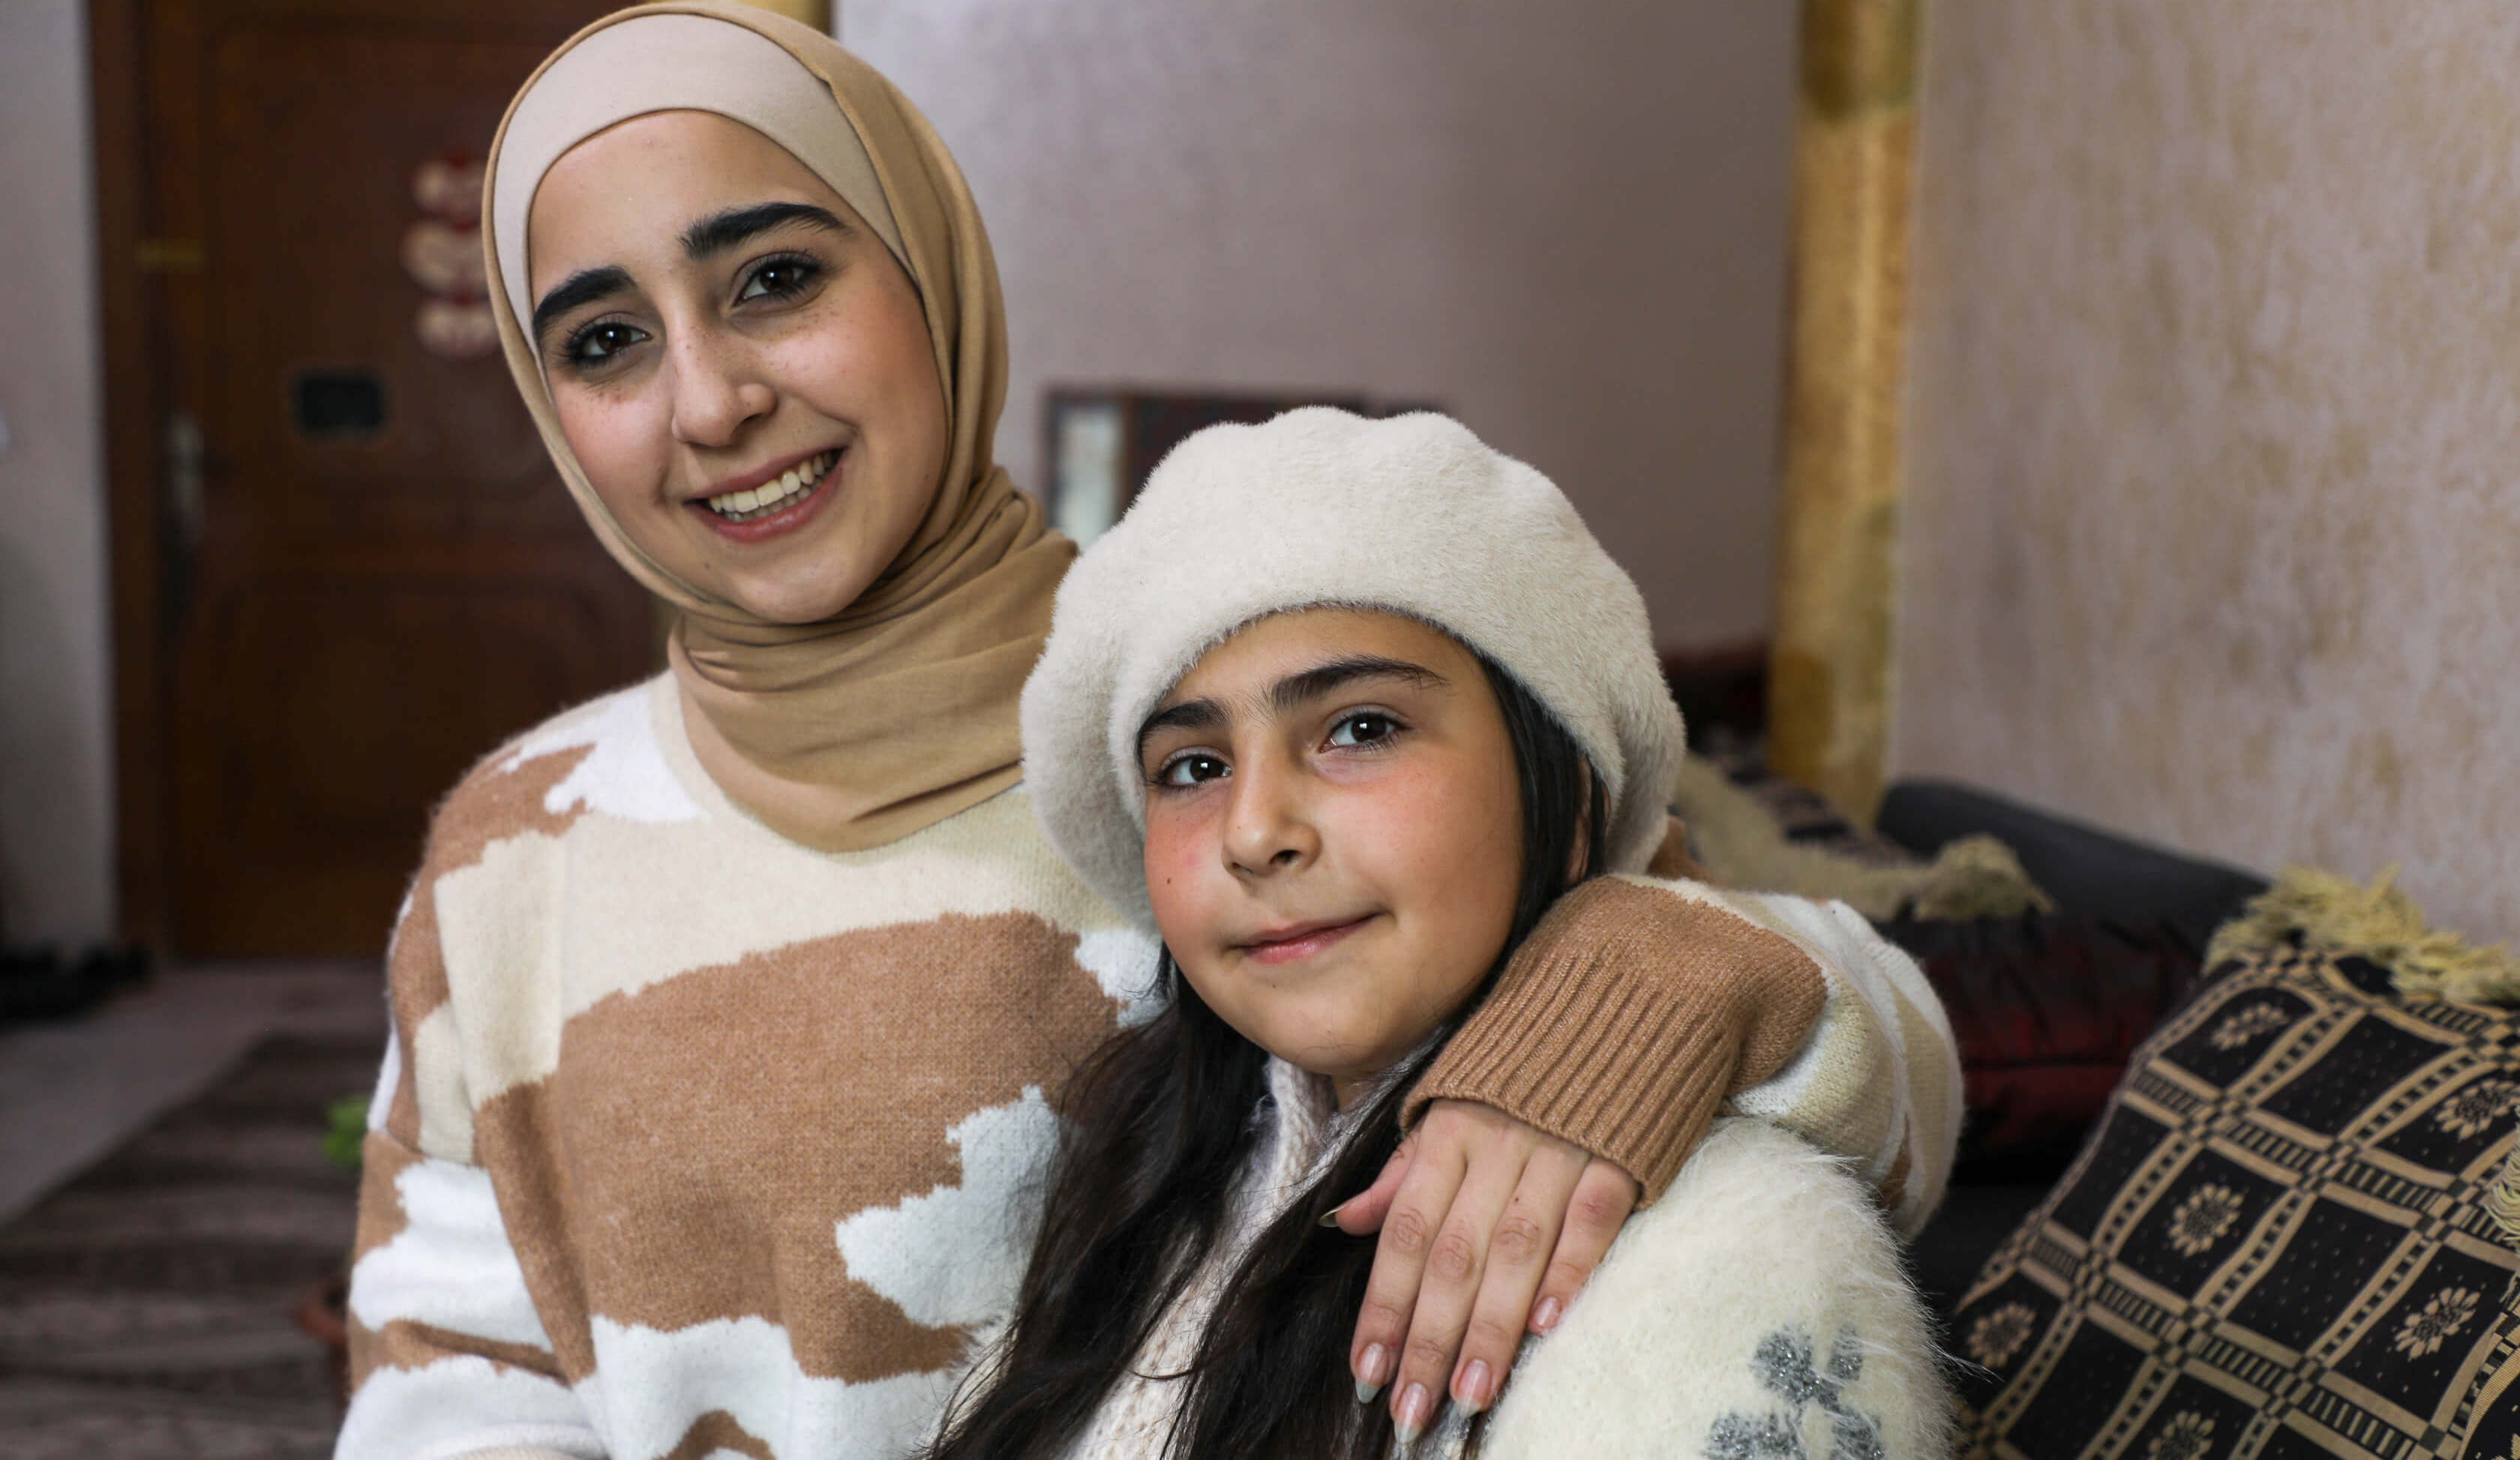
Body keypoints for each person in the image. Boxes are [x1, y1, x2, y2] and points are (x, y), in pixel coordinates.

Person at [334, 7, 1960, 1459]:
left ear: (930, 270)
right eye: (606, 341)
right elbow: (447, 1386)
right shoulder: (512, 849)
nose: (710, 403)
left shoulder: (1203, 706)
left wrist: (1652, 984)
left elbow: (1826, 1046)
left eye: (776, 277)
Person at [934, 407, 1952, 1458]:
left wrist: (1650, 984)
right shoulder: (1136, 1191)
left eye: (1361, 728)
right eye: (1194, 767)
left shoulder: (1723, 1259)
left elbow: (1897, 1039)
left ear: (1567, 799)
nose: (1253, 832)